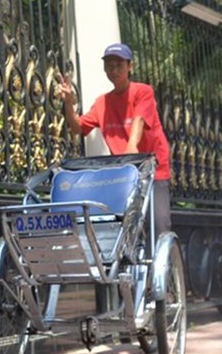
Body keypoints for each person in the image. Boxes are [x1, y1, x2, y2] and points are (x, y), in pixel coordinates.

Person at [57, 43, 172, 235]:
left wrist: (132, 146)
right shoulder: (102, 102)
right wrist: (68, 102)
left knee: (158, 225)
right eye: (109, 65)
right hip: (124, 173)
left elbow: (139, 122)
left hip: (152, 168)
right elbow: (77, 127)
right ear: (104, 69)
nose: (114, 70)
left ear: (130, 66)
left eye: (119, 65)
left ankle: (165, 262)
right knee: (124, 227)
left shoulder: (143, 91)